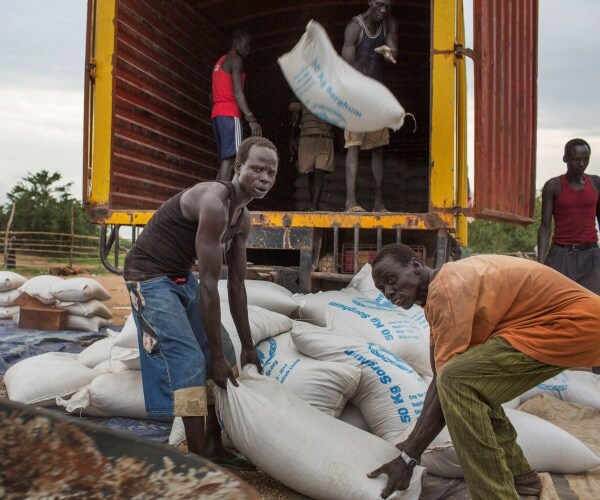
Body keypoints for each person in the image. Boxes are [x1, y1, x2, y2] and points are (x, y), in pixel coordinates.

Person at [368, 243, 600, 499]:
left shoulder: (447, 289)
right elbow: (440, 380)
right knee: (469, 385)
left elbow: (449, 382)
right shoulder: (440, 293)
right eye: (381, 289)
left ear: (415, 265)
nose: (389, 292)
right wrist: (409, 446)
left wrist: (410, 455)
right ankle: (520, 477)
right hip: (562, 323)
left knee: (460, 381)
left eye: (391, 280)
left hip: (571, 323)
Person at [123, 137, 278, 466]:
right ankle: (198, 463)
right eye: (257, 169)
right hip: (148, 276)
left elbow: (236, 286)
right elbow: (209, 285)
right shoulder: (214, 202)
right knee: (192, 357)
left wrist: (247, 345)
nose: (265, 178)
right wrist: (215, 358)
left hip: (178, 275)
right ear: (238, 168)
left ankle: (214, 447)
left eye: (272, 172)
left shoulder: (242, 218)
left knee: (222, 349)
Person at [341, 0, 398, 213]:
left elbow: (394, 47)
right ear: (370, 2)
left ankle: (378, 203)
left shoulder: (390, 22)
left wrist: (389, 52)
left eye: (388, 7)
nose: (383, 11)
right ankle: (350, 203)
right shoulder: (355, 27)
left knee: (378, 149)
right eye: (380, 5)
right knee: (353, 146)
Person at [537, 138, 600, 295]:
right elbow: (545, 227)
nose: (581, 164)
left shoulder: (596, 183)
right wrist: (540, 262)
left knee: (593, 305)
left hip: (591, 255)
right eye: (576, 159)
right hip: (562, 254)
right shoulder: (553, 186)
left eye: (585, 159)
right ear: (565, 159)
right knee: (552, 299)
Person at [212, 30, 262, 181]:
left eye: (249, 46)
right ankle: (219, 201)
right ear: (235, 43)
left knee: (225, 161)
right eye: (245, 45)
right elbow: (238, 93)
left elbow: (211, 94)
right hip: (230, 114)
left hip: (217, 114)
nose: (248, 49)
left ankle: (212, 198)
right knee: (232, 159)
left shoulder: (220, 61)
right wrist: (251, 119)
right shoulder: (236, 60)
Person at [289, 102, 334, 211]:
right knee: (314, 173)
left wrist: (292, 137)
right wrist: (292, 138)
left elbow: (295, 117)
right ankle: (314, 205)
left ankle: (314, 205)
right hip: (313, 138)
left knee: (317, 173)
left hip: (317, 137)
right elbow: (295, 116)